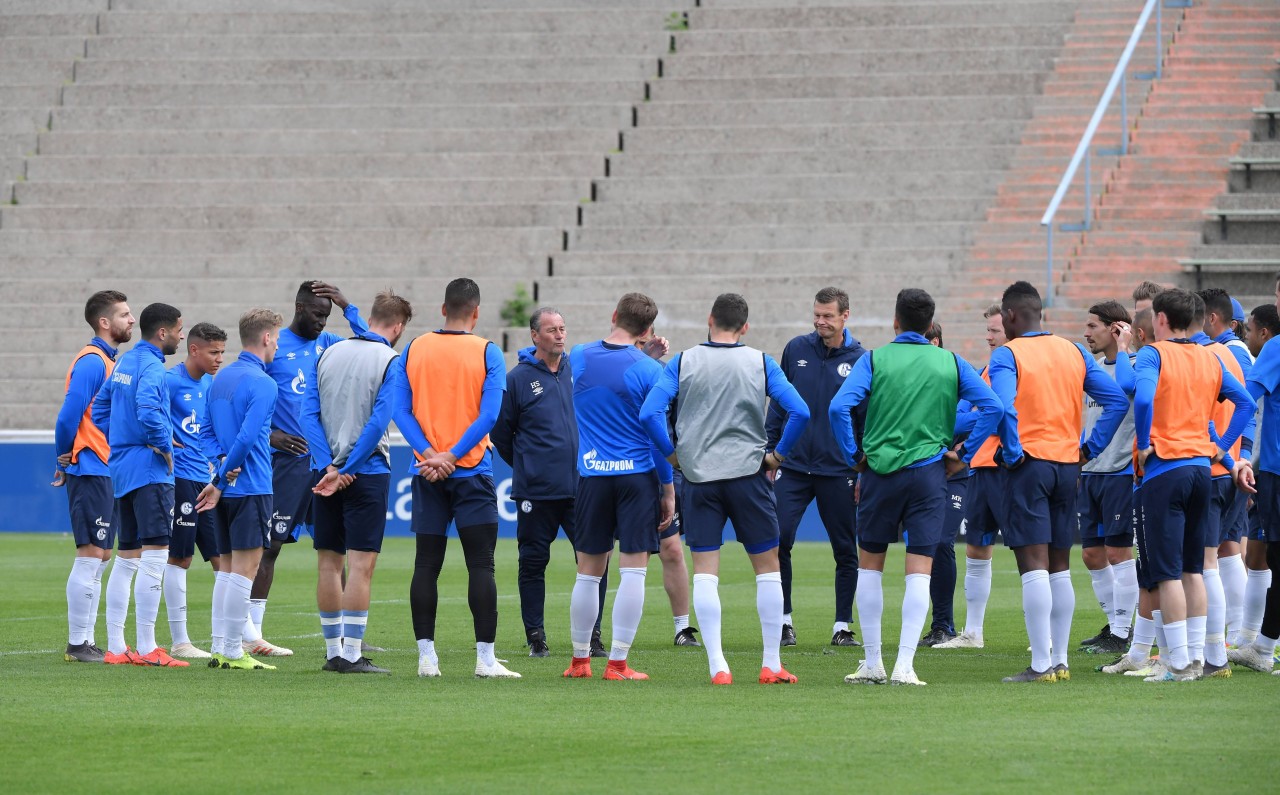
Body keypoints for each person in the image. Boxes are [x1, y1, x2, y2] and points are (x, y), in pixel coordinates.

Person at [832, 289, 1002, 686]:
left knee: (870, 566)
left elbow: (838, 408)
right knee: (919, 571)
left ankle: (872, 663)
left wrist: (853, 455)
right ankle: (905, 666)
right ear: (930, 327)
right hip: (928, 475)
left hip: (879, 473)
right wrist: (964, 454)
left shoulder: (873, 359)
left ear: (895, 322)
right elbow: (994, 407)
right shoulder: (950, 362)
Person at [640, 293, 810, 685]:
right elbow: (801, 411)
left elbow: (649, 412)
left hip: (700, 478)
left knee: (705, 573)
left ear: (709, 319)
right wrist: (778, 456)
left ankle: (718, 665)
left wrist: (671, 455)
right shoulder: (761, 361)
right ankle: (770, 663)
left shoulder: (683, 361)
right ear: (745, 327)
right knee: (768, 570)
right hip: (749, 475)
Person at [989, 282, 1129, 683]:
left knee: (1031, 565)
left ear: (1011, 316)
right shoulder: (1074, 350)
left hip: (1030, 465)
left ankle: (1039, 665)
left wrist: (1013, 452)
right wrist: (1089, 448)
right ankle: (1061, 660)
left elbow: (1001, 407)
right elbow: (1118, 400)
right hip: (1069, 466)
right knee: (1059, 566)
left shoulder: (1007, 354)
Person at [393, 278, 516, 679]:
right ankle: (484, 659)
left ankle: (427, 657)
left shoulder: (414, 348)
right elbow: (488, 416)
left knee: (426, 564)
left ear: (443, 309)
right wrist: (452, 455)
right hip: (471, 470)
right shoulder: (487, 351)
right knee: (481, 564)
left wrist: (430, 454)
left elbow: (400, 409)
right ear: (476, 312)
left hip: (427, 471)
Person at [1133, 288, 1254, 680]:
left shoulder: (1154, 353)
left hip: (1166, 470)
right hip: (1203, 471)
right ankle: (1200, 659)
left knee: (1167, 572)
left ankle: (1179, 663)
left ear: (1162, 320)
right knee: (1195, 570)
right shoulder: (1210, 357)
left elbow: (1144, 398)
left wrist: (1145, 443)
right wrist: (1219, 446)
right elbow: (1247, 405)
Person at [248, 281, 368, 658]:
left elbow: (373, 347)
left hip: (325, 461)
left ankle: (348, 636)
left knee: (336, 548)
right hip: (287, 464)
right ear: (299, 308)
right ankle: (253, 631)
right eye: (317, 314)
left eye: (327, 316)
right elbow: (249, 396)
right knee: (271, 546)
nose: (322, 322)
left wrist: (348, 307)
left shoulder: (329, 344)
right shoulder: (274, 346)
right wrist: (272, 437)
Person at [562, 293, 675, 681]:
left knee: (588, 572)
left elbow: (605, 372)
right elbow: (654, 430)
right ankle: (618, 664)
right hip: (636, 477)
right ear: (647, 331)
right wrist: (668, 487)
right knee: (633, 572)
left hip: (593, 475)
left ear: (613, 315)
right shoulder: (650, 370)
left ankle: (579, 661)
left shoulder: (578, 354)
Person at [303, 291, 412, 674]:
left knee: (328, 564)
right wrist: (348, 466)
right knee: (361, 566)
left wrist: (328, 465)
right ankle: (351, 655)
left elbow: (308, 414)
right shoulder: (390, 359)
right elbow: (379, 422)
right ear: (398, 327)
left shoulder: (327, 353)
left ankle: (333, 653)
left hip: (324, 472)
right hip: (365, 473)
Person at [492, 307, 608, 657]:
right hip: (536, 491)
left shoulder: (579, 370)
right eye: (552, 329)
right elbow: (501, 434)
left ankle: (593, 636)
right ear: (535, 336)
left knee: (594, 563)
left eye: (562, 328)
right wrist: (529, 465)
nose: (560, 335)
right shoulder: (517, 379)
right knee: (532, 562)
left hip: (582, 486)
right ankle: (536, 636)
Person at [766, 287, 865, 648]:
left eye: (828, 316)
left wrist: (860, 467)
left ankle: (842, 626)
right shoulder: (796, 349)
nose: (820, 321)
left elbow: (863, 418)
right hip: (791, 467)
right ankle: (783, 622)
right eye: (817, 315)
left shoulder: (861, 358)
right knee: (778, 541)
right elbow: (779, 403)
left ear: (845, 316)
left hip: (838, 470)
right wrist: (771, 451)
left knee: (845, 549)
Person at [92, 302, 188, 668]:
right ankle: (148, 648)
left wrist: (123, 440)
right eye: (180, 329)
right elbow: (149, 408)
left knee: (127, 556)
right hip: (150, 471)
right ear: (163, 332)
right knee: (156, 554)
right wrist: (162, 444)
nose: (181, 335)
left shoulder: (124, 363)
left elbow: (100, 410)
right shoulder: (152, 367)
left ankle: (116, 647)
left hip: (122, 469)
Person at [195, 308, 284, 671]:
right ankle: (232, 650)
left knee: (228, 570)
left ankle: (221, 646)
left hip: (226, 487)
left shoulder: (221, 378)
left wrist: (219, 467)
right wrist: (223, 478)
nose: (277, 345)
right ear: (265, 338)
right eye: (276, 339)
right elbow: (248, 438)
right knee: (244, 571)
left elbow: (203, 431)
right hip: (250, 487)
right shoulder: (264, 383)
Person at [54, 290, 134, 663]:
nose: (131, 320)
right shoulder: (92, 361)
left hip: (107, 467)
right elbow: (69, 415)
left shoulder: (107, 361)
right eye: (124, 314)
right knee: (91, 554)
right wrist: (63, 457)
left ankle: (86, 641)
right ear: (105, 322)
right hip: (90, 465)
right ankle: (76, 643)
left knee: (100, 555)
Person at [935, 304, 1007, 650]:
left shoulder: (1014, 366)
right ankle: (972, 633)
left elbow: (973, 417)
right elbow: (962, 415)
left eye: (994, 331)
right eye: (988, 331)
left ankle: (1049, 639)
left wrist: (967, 420)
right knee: (977, 549)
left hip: (1010, 470)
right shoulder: (985, 370)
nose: (988, 337)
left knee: (1033, 553)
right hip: (979, 469)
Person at [1193, 289, 1253, 677]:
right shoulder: (1232, 354)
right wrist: (1239, 454)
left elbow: (1208, 419)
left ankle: (1211, 653)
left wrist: (1224, 452)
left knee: (1205, 562)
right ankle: (1237, 639)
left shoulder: (1206, 355)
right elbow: (1246, 406)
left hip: (1212, 470)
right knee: (1229, 553)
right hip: (1230, 469)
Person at [1075, 301, 1139, 656]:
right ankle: (1115, 625)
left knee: (1118, 552)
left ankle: (1121, 631)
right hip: (1091, 472)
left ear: (1115, 329)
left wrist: (1127, 348)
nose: (1086, 333)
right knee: (1091, 555)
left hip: (1120, 471)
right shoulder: (1094, 370)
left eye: (1093, 326)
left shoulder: (1133, 367)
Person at [163, 322, 228, 659]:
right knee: (180, 557)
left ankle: (236, 635)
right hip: (179, 481)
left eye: (222, 352)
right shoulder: (171, 381)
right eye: (213, 352)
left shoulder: (209, 383)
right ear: (194, 350)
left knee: (223, 559)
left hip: (206, 481)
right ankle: (180, 640)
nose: (219, 358)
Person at [634, 331, 700, 649]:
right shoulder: (612, 365)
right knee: (609, 553)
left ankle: (682, 628)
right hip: (621, 472)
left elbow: (669, 423)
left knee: (672, 549)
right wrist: (643, 358)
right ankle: (595, 633)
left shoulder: (665, 372)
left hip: (662, 471)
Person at [1234, 303, 1280, 650]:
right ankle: (1261, 643)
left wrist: (1233, 452)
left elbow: (1246, 399)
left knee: (1269, 557)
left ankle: (1258, 643)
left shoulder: (1275, 348)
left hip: (1273, 469)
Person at [918, 322, 964, 647]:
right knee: (924, 545)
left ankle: (944, 625)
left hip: (957, 474)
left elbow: (985, 411)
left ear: (935, 342)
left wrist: (961, 450)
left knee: (941, 542)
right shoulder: (913, 378)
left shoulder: (956, 372)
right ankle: (939, 625)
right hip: (923, 473)